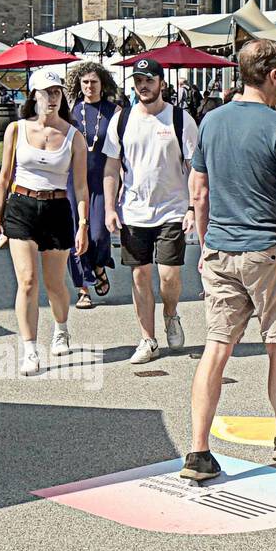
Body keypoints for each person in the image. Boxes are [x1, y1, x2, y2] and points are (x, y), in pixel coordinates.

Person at [182, 39, 276, 483]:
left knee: (216, 348)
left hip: (221, 248)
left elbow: (198, 193)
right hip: (268, 252)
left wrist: (206, 246)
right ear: (274, 75)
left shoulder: (210, 122)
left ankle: (198, 452)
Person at [0, 69, 90, 378]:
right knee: (28, 281)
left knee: (55, 285)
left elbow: (81, 187)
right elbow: (4, 177)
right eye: (46, 92)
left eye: (57, 92)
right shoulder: (16, 129)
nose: (53, 98)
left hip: (57, 208)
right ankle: (30, 349)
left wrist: (83, 223)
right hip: (22, 206)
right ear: (34, 95)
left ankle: (61, 328)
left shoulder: (74, 136)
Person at [103, 56, 199, 365]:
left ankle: (171, 314)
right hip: (134, 211)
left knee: (168, 276)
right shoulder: (123, 120)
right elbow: (112, 165)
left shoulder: (180, 120)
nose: (143, 86)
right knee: (140, 276)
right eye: (138, 81)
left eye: (149, 80)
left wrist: (193, 207)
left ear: (161, 83)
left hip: (172, 209)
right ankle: (148, 339)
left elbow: (194, 168)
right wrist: (109, 208)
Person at [65, 61, 122, 310]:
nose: (89, 86)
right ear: (79, 84)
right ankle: (83, 289)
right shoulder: (70, 111)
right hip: (73, 181)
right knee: (75, 235)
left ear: (102, 84)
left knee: (98, 233)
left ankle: (99, 265)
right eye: (85, 82)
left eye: (94, 82)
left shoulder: (115, 111)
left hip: (102, 180)